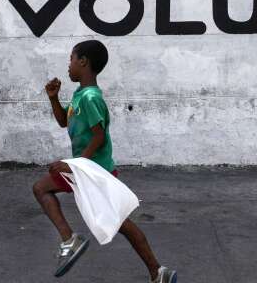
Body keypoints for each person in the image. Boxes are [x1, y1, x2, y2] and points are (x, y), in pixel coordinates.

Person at [32, 40, 177, 283]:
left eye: (71, 59)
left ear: (83, 62)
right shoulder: (80, 95)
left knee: (41, 189)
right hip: (90, 168)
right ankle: (159, 272)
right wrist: (54, 98)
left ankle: (70, 240)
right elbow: (63, 122)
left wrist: (74, 165)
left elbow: (99, 137)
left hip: (93, 170)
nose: (68, 65)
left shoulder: (90, 98)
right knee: (121, 223)